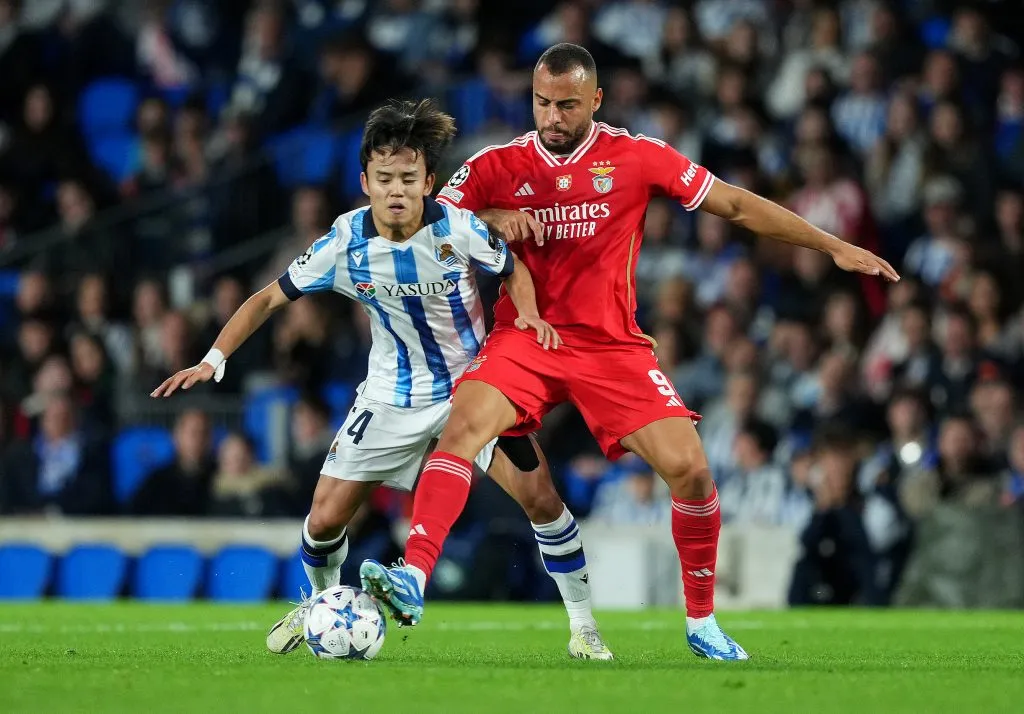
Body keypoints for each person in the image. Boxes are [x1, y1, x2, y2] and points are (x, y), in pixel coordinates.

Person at [361, 44, 899, 661]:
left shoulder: (636, 157)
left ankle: (701, 622)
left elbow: (734, 203)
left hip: (612, 347)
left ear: (596, 101)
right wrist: (489, 215)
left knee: (692, 471)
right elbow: (418, 229)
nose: (553, 117)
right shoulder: (496, 165)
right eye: (542, 103)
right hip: (526, 336)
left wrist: (831, 246)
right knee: (463, 427)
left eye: (567, 105)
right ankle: (414, 575)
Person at [150, 99, 613, 661]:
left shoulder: (458, 229)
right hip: (390, 398)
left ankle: (585, 630)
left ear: (429, 183)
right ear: (366, 181)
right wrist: (213, 358)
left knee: (543, 501)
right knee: (322, 522)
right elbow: (269, 297)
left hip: (473, 391)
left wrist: (532, 315)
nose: (397, 190)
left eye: (409, 178)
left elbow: (511, 269)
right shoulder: (345, 242)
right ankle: (320, 605)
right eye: (386, 178)